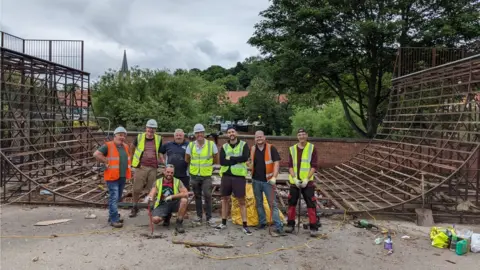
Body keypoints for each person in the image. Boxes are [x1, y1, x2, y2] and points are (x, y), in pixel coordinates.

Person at [215, 126, 252, 235]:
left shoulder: (243, 145)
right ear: (227, 134)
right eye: (229, 132)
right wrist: (236, 160)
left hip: (239, 176)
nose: (231, 133)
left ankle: (245, 225)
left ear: (236, 133)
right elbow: (222, 161)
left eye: (233, 131)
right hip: (226, 175)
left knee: (241, 201)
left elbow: (244, 158)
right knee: (224, 199)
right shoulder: (224, 146)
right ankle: (223, 222)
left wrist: (230, 158)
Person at [93, 126, 132, 228]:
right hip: (112, 176)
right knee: (114, 197)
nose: (122, 137)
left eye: (124, 135)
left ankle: (112, 215)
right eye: (120, 135)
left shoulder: (126, 146)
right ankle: (114, 219)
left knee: (117, 197)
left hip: (122, 176)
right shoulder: (108, 146)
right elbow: (96, 154)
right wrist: (106, 161)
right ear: (115, 136)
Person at [250, 130, 285, 236]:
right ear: (255, 139)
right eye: (257, 137)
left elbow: (276, 163)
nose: (259, 139)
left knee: (272, 204)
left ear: (264, 137)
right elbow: (251, 163)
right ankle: (262, 222)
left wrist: (274, 177)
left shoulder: (271, 148)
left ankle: (279, 226)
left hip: (268, 181)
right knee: (259, 203)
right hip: (256, 180)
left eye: (260, 137)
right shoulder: (252, 149)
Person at [285, 128, 319, 236]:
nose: (302, 136)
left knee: (311, 204)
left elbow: (314, 166)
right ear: (297, 137)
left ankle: (313, 227)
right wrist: (294, 178)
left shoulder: (312, 148)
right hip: (295, 182)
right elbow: (290, 166)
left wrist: (307, 179)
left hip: (307, 182)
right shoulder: (292, 149)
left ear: (307, 136)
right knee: (291, 203)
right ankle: (290, 225)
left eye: (303, 134)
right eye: (300, 135)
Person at [185, 123, 218, 226]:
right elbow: (187, 158)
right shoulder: (190, 145)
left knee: (208, 195)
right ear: (195, 134)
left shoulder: (211, 144)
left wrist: (208, 167)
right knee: (197, 196)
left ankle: (209, 217)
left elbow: (216, 158)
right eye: (197, 132)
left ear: (204, 133)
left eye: (201, 132)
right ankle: (199, 216)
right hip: (194, 175)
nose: (199, 134)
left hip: (206, 175)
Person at [129, 119, 163, 218]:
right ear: (146, 128)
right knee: (136, 188)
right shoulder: (139, 137)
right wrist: (132, 162)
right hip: (141, 167)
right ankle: (134, 207)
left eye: (153, 128)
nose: (151, 130)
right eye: (149, 128)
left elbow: (160, 152)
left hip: (153, 168)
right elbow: (132, 147)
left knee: (151, 189)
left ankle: (151, 208)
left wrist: (164, 162)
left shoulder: (159, 139)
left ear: (155, 129)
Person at [145, 164, 189, 233]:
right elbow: (152, 192)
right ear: (164, 172)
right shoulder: (158, 182)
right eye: (168, 172)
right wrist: (149, 197)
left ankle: (179, 223)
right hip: (163, 204)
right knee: (155, 220)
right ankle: (166, 216)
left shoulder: (178, 181)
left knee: (184, 200)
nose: (169, 174)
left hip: (175, 203)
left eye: (171, 173)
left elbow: (186, 193)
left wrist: (172, 196)